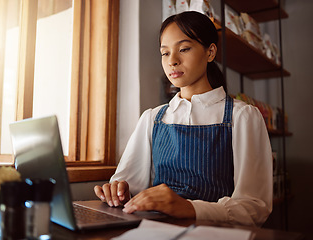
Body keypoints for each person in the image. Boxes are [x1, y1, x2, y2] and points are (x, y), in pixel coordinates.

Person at [94, 11, 272, 227]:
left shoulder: (242, 117)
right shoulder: (152, 118)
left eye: (184, 49)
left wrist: (190, 208)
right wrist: (118, 192)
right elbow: (128, 186)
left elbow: (255, 207)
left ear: (210, 52)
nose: (173, 61)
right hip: (158, 231)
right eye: (165, 53)